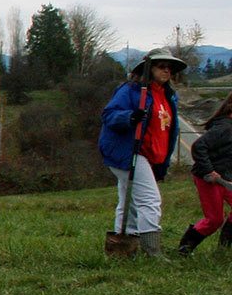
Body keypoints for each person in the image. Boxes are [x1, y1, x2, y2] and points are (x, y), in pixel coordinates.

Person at [98, 48, 186, 255]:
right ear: (149, 69)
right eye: (161, 66)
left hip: (149, 155)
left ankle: (124, 248)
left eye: (170, 68)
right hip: (129, 153)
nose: (167, 71)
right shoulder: (131, 91)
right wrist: (130, 117)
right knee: (150, 200)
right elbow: (109, 114)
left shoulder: (168, 96)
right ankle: (152, 250)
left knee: (129, 203)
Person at [176, 94, 232, 255]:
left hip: (226, 177)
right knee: (214, 220)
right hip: (208, 178)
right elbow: (199, 146)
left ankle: (224, 249)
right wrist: (208, 170)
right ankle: (185, 248)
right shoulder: (224, 128)